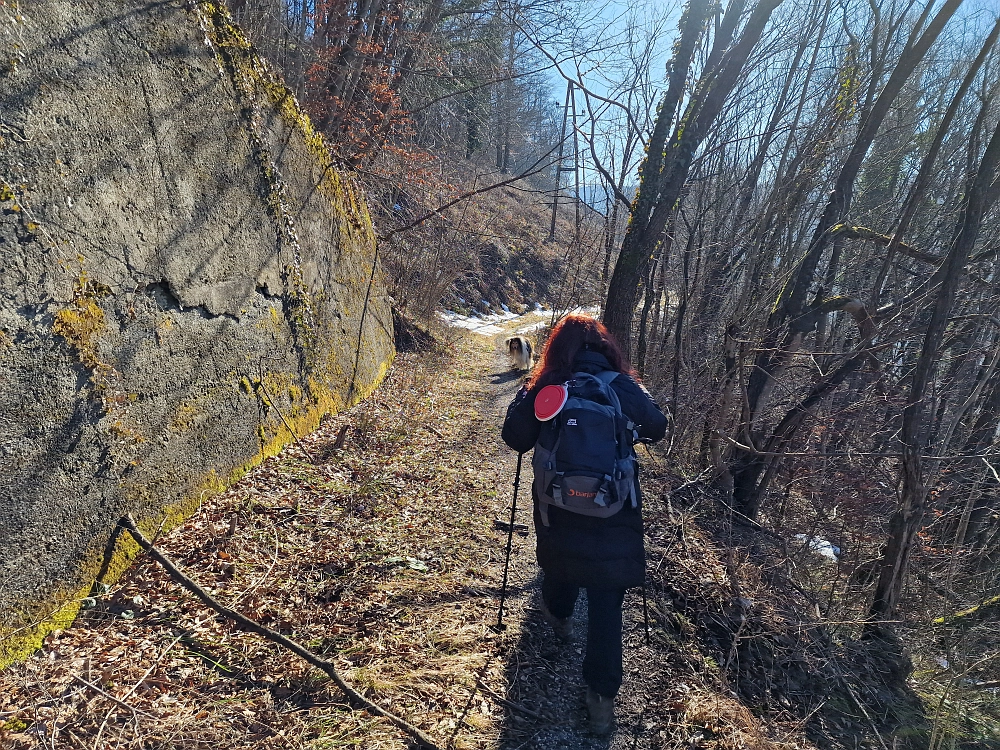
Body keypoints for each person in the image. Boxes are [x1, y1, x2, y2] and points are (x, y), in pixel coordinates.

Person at [500, 314, 667, 735]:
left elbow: (515, 438)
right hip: (615, 510)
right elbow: (657, 427)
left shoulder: (549, 385)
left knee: (560, 561)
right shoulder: (621, 385)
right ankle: (601, 702)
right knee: (607, 601)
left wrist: (529, 392)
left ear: (558, 349)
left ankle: (559, 618)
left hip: (557, 506)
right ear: (606, 349)